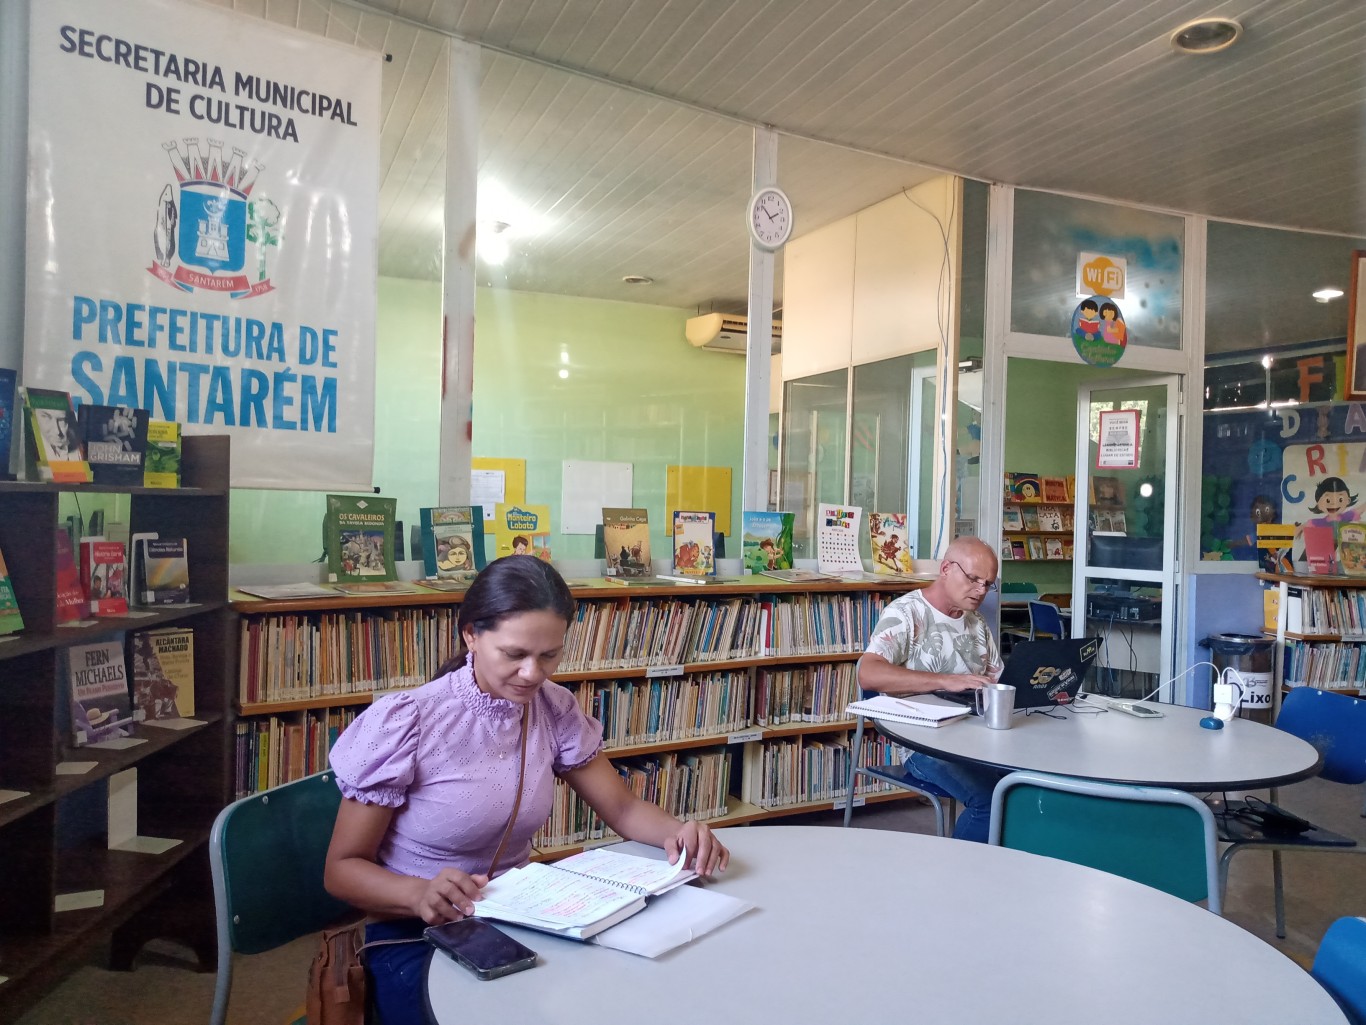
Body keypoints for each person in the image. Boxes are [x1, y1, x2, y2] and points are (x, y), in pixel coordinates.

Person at [324, 556, 730, 1025]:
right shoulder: (408, 720)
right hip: (413, 931)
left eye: (550, 655)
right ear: (471, 635)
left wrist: (680, 834)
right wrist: (418, 894)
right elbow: (341, 871)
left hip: (518, 918)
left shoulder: (554, 708)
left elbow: (622, 808)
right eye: (514, 654)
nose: (533, 674)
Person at [856, 536, 1003, 843]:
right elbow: (867, 673)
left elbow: (996, 678)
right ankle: (958, 880)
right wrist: (944, 680)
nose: (981, 591)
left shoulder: (976, 623)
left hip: (975, 735)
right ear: (947, 568)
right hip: (923, 743)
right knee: (991, 801)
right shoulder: (906, 613)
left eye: (989, 584)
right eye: (974, 579)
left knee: (1023, 786)